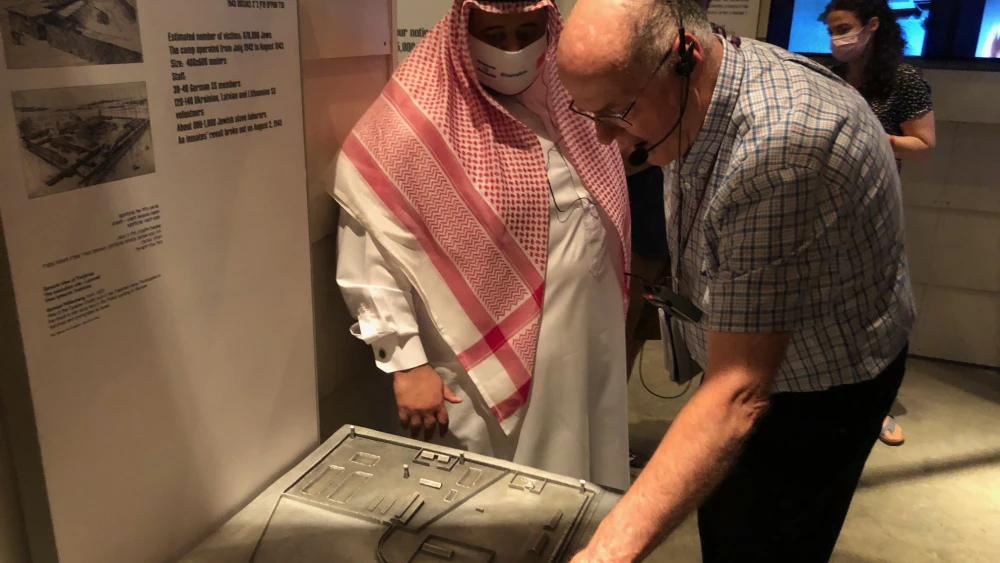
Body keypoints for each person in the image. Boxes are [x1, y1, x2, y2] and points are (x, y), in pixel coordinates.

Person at [557, 0, 914, 561]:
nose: (605, 138)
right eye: (589, 113)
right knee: (725, 521)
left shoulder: (784, 148)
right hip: (762, 355)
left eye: (618, 111)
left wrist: (604, 554)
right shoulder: (711, 77)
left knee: (762, 539)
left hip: (821, 383)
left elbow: (740, 392)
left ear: (684, 56)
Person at [328, 0, 632, 491]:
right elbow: (372, 254)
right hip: (486, 371)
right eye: (495, 35)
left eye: (527, 32)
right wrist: (407, 363)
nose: (512, 50)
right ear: (463, 33)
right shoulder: (412, 126)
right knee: (508, 497)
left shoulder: (567, 108)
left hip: (585, 348)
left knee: (588, 476)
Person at [823, 0, 936, 447]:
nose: (837, 39)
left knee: (870, 305)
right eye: (831, 30)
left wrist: (872, 133)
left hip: (873, 206)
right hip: (826, 202)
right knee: (825, 298)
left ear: (872, 26)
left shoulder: (903, 80)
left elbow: (924, 146)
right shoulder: (832, 73)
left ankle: (875, 405)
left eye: (844, 28)